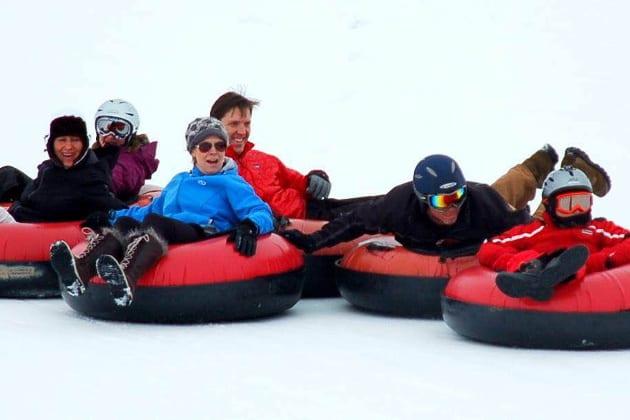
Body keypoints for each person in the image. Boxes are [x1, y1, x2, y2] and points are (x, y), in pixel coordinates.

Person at [50, 117, 274, 307]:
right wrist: (111, 216)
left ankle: (128, 277)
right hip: (169, 228)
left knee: (157, 223)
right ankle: (82, 269)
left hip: (204, 231)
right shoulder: (179, 181)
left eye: (219, 146)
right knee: (128, 225)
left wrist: (250, 226)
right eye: (205, 146)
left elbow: (260, 210)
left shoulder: (231, 182)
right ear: (193, 152)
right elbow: (149, 210)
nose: (213, 152)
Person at [279, 148, 610, 257]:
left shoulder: (477, 205)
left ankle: (572, 172)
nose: (451, 206)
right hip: (481, 201)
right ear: (423, 200)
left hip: (488, 204)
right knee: (495, 194)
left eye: (455, 197)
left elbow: (530, 231)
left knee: (513, 206)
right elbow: (352, 222)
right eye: (441, 200)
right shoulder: (398, 205)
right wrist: (310, 244)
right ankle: (539, 162)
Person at [210, 91, 381, 220]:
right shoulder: (213, 170)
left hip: (313, 212)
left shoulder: (264, 160)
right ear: (216, 126)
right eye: (234, 124)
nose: (242, 131)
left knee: (382, 204)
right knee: (372, 215)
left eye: (247, 124)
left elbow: (300, 183)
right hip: (286, 228)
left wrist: (316, 178)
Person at [477, 166, 630, 301]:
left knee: (576, 258)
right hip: (535, 266)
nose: (576, 210)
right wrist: (523, 260)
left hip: (587, 278)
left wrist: (599, 260)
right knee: (532, 259)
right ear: (548, 204)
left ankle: (561, 271)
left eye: (582, 202)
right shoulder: (534, 231)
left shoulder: (598, 229)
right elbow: (490, 248)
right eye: (567, 204)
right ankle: (534, 271)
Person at [6, 115, 127, 223]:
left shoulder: (91, 178)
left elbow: (118, 209)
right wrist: (16, 208)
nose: (68, 147)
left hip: (52, 236)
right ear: (51, 144)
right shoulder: (46, 169)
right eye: (62, 140)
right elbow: (26, 198)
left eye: (75, 140)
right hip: (22, 223)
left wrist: (102, 218)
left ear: (84, 144)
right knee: (8, 174)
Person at [91, 99, 159, 203]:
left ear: (131, 133)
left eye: (120, 129)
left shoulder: (131, 161)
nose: (111, 135)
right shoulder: (92, 155)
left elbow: (117, 178)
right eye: (104, 127)